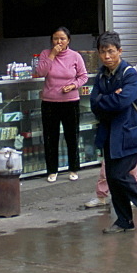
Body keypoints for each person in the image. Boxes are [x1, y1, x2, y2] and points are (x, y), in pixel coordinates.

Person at [90, 31, 137, 233]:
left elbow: (123, 100)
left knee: (119, 175)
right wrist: (108, 99)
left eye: (110, 52)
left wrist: (105, 99)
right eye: (103, 52)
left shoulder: (129, 74)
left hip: (129, 134)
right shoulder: (102, 75)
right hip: (109, 134)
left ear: (119, 51)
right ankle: (123, 221)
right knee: (112, 177)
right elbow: (93, 102)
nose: (106, 56)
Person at [35, 26, 89, 183]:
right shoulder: (46, 54)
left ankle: (73, 168)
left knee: (71, 136)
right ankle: (52, 170)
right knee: (50, 137)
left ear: (68, 41)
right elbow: (41, 72)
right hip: (49, 102)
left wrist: (73, 86)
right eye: (56, 39)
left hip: (70, 101)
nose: (59, 42)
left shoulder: (75, 56)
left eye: (62, 39)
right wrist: (52, 54)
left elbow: (83, 76)